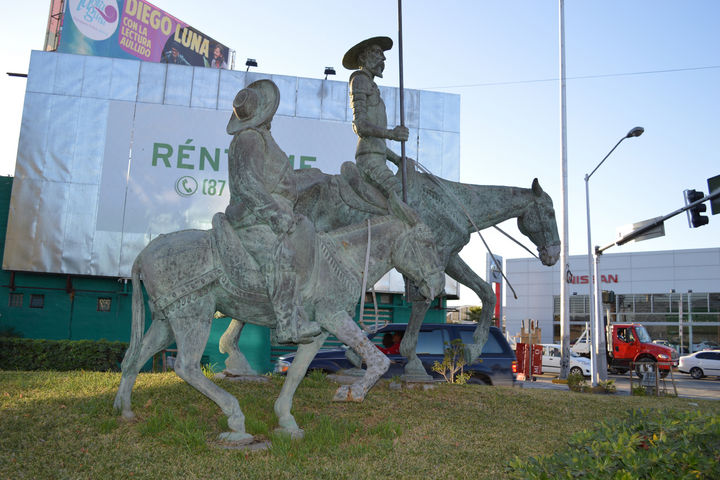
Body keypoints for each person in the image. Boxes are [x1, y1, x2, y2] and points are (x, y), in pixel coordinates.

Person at [224, 79, 321, 344]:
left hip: (271, 213)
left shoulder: (261, 138)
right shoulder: (249, 138)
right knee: (282, 254)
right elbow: (248, 184)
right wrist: (274, 213)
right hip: (252, 217)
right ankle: (289, 324)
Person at [343, 36, 411, 208]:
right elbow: (360, 126)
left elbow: (377, 142)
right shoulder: (359, 80)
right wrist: (392, 134)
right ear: (363, 57)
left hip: (378, 158)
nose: (383, 58)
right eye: (377, 52)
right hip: (369, 160)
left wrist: (397, 159)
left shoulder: (372, 86)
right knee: (399, 195)